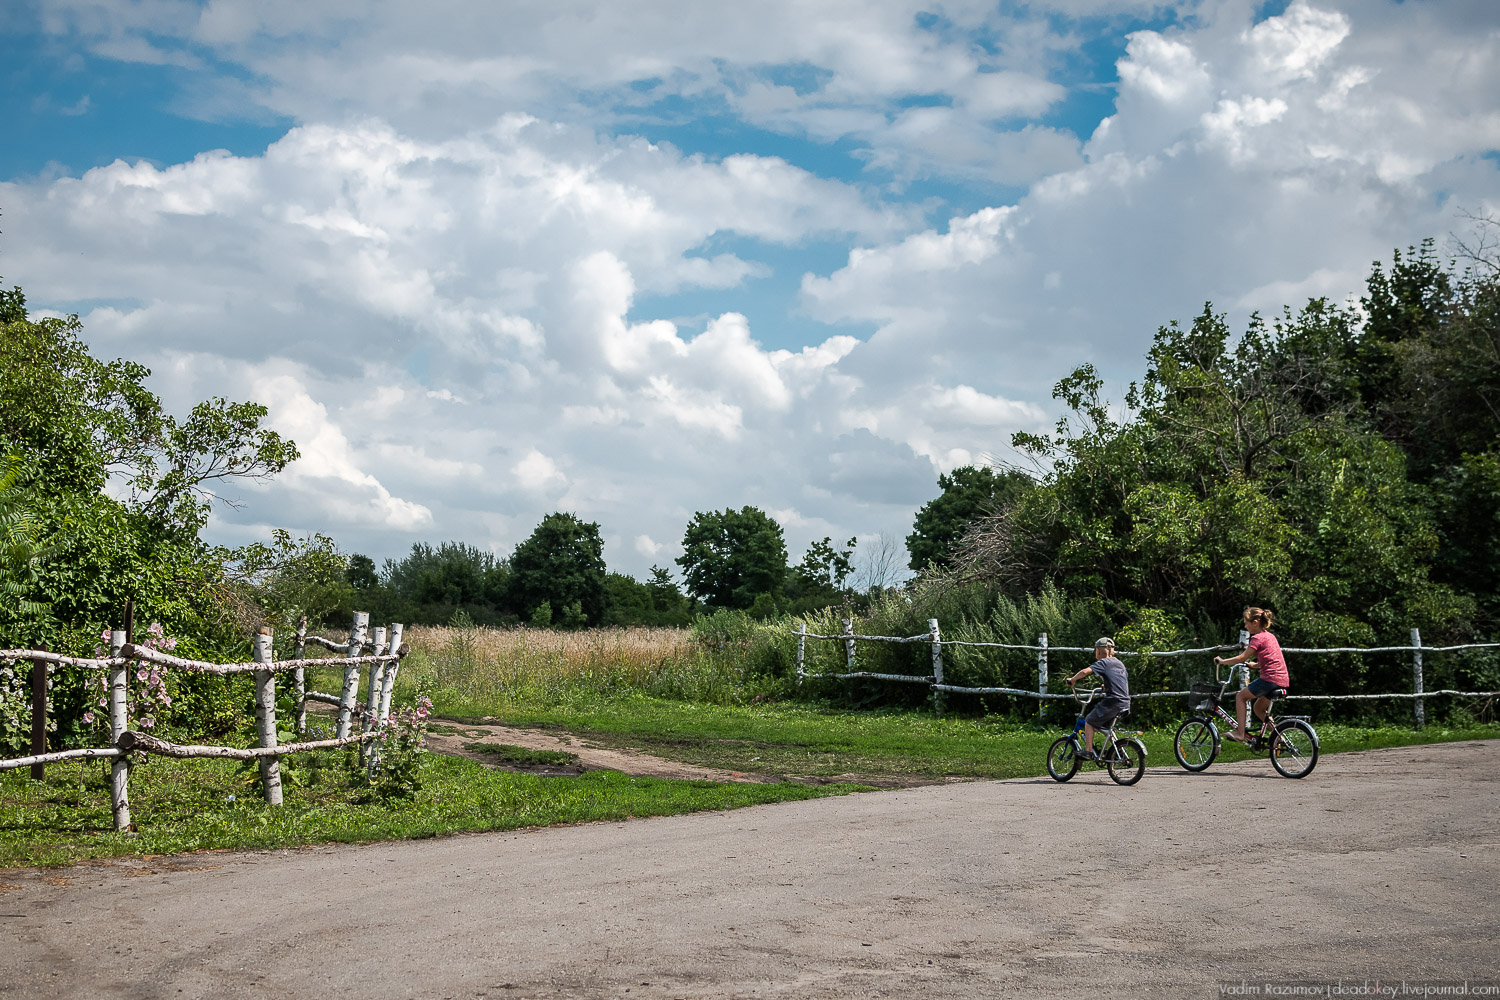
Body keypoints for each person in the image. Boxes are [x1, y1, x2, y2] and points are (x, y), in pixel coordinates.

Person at [1213, 607, 1289, 743]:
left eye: (1246, 622)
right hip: (1281, 680)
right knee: (1259, 709)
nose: (1245, 626)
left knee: (1240, 697)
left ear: (1255, 622)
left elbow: (1242, 657)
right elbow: (1268, 660)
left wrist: (1223, 661)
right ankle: (1279, 737)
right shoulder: (1270, 637)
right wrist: (1253, 665)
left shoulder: (1257, 638)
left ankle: (1240, 733)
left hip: (1269, 679)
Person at [1066, 637, 1131, 761]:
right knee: (1106, 728)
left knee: (1089, 721)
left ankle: (1088, 752)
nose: (1096, 653)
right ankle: (1119, 751)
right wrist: (1105, 687)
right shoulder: (1119, 663)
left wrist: (1072, 680)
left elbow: (1085, 672)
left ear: (1101, 650)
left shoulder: (1104, 662)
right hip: (1125, 702)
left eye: (1096, 650)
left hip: (1113, 701)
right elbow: (1119, 681)